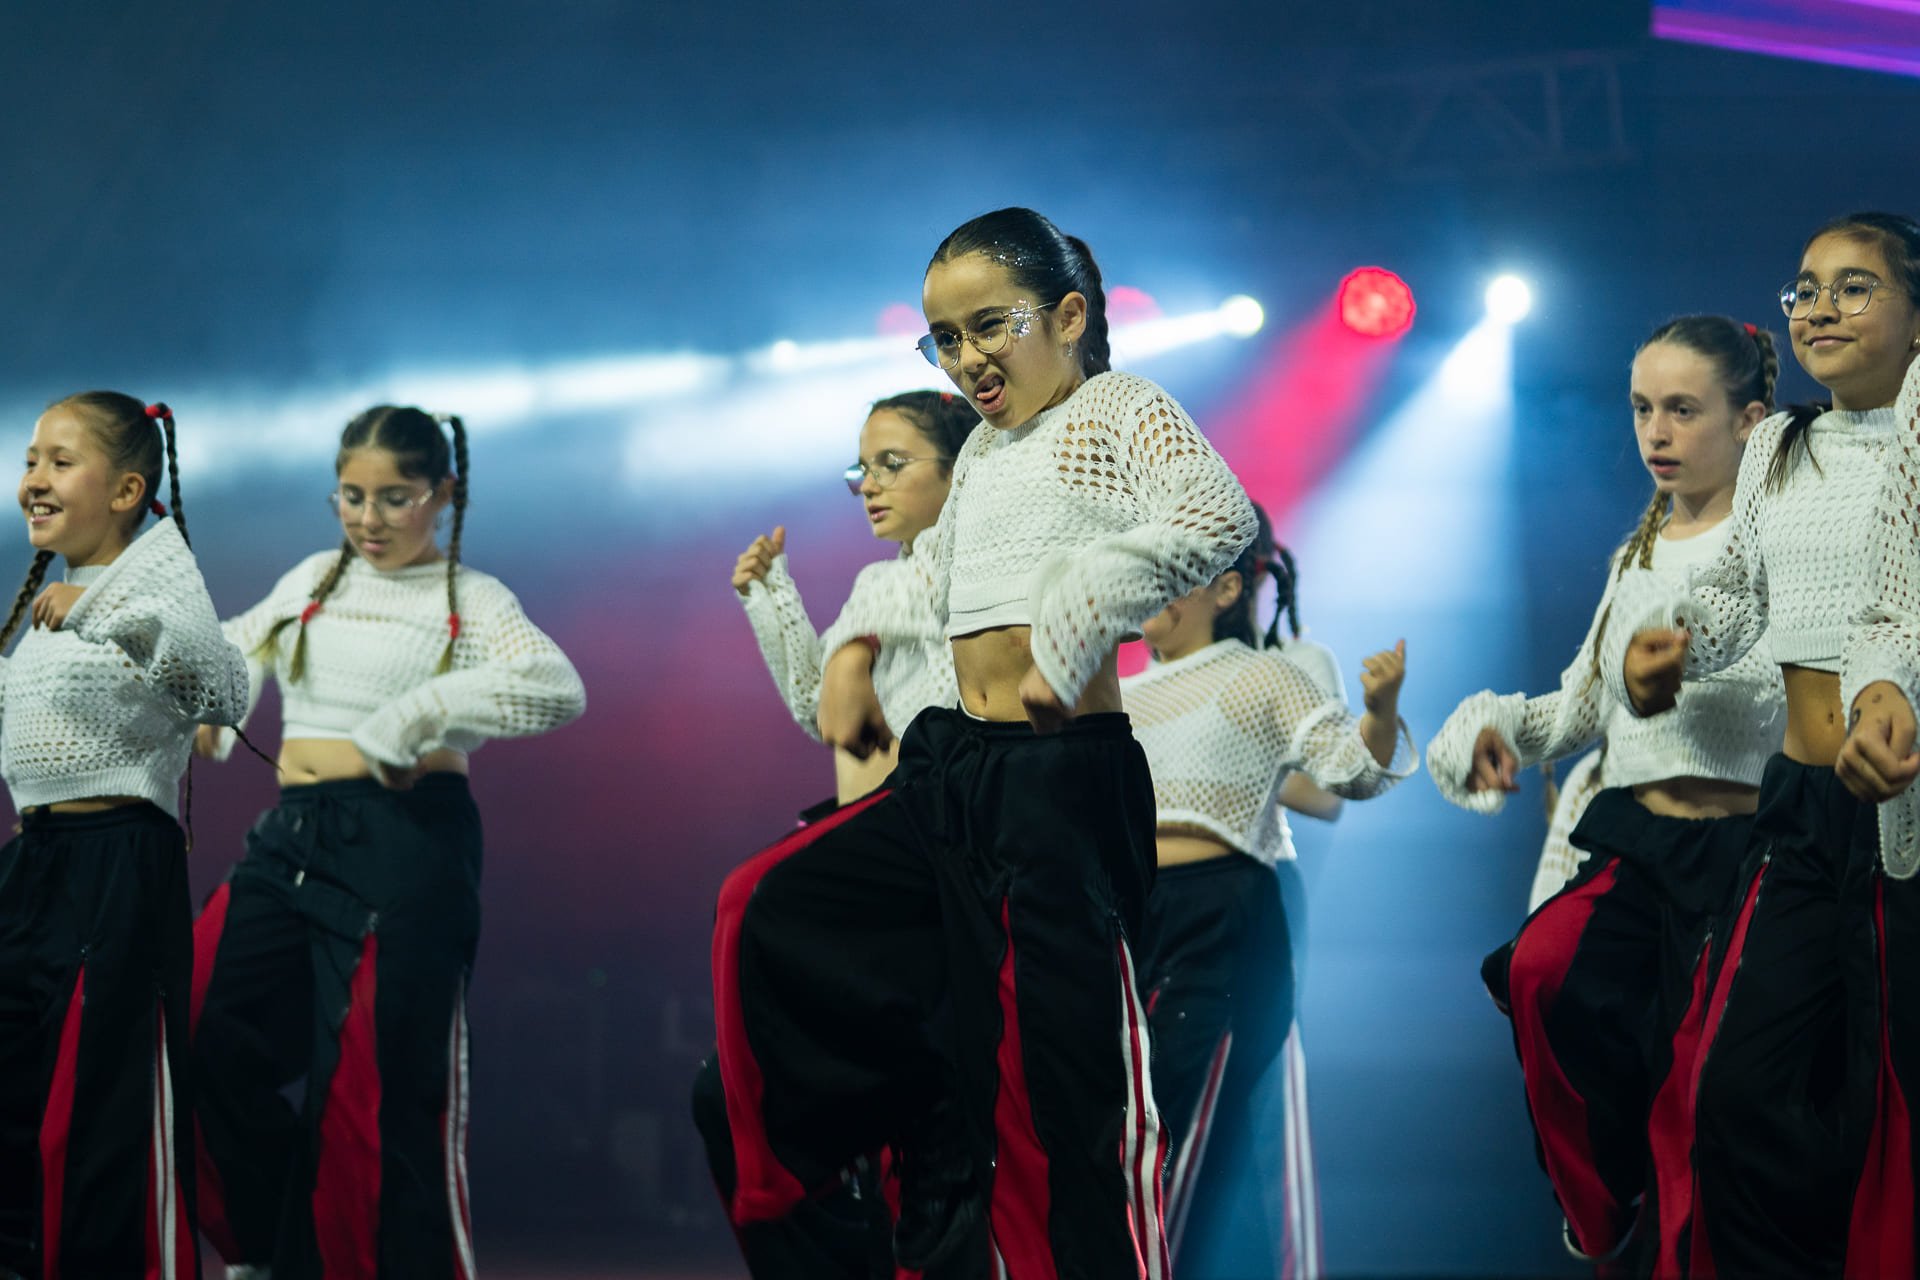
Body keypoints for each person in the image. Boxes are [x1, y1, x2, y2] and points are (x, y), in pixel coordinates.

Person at [705, 207, 1257, 1277]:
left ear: (1068, 314)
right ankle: (799, 1210)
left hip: (1060, 784)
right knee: (761, 904)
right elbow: (901, 603)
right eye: (944, 339)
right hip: (953, 770)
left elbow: (1217, 512)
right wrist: (824, 628)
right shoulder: (987, 461)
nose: (967, 357)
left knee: (1055, 1104)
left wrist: (1087, 606)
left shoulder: (1115, 408)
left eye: (987, 326)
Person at [189, 405, 586, 1280]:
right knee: (187, 1027)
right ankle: (267, 1247)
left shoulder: (472, 597)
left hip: (407, 847)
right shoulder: (313, 579)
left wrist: (414, 716)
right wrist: (214, 707)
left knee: (383, 1089)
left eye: (395, 497)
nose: (368, 519)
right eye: (351, 496)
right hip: (290, 838)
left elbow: (556, 685)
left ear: (443, 494)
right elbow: (229, 649)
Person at [1428, 316, 1784, 1271]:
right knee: (1542, 970)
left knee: (1700, 1106)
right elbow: (1579, 705)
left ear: (1752, 420)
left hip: (1749, 856)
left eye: (1682, 409)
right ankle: (1600, 1202)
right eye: (1640, 409)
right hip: (1638, 842)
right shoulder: (1639, 550)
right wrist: (1499, 732)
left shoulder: (1786, 541)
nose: (1655, 432)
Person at [1608, 215, 1920, 1276]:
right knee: (1734, 1083)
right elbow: (1739, 591)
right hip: (1798, 803)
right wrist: (1677, 649)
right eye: (1806, 288)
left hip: (1901, 807)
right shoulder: (1782, 444)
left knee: (1887, 1095)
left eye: (1856, 287)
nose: (1821, 306)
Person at [1124, 504, 1413, 1279]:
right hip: (1130, 918)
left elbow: (1336, 784)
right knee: (1127, 1129)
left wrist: (1378, 714)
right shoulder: (1114, 696)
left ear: (1226, 585)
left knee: (1227, 1121)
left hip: (1236, 898)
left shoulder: (1275, 669)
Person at [0, 393, 247, 1280]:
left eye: (61, 462)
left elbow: (226, 689)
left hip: (117, 867)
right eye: (32, 458)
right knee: (18, 1106)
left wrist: (111, 612)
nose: (34, 478)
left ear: (127, 488)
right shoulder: (47, 601)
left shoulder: (156, 573)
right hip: (36, 865)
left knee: (102, 1122)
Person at [733, 389, 974, 804]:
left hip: (939, 829)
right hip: (868, 825)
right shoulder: (879, 589)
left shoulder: (979, 569)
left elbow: (933, 590)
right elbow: (819, 707)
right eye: (862, 470)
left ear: (958, 470)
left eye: (891, 464)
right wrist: (771, 597)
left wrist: (854, 649)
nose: (868, 487)